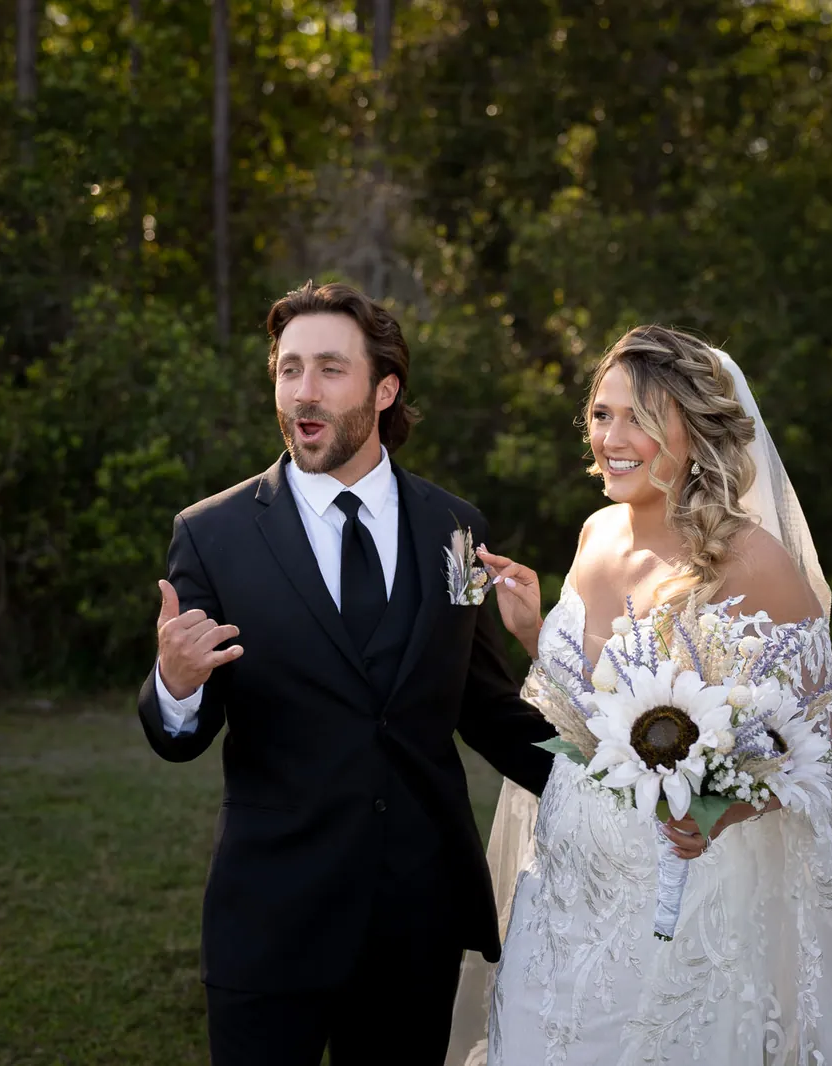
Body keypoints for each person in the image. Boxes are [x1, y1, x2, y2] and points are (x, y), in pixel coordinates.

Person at [136, 281, 556, 1066]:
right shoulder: (213, 534)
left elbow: (487, 709)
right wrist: (177, 684)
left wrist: (620, 782)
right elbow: (178, 736)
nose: (304, 390)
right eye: (289, 369)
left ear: (383, 389)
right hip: (271, 918)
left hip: (417, 920)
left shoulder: (456, 529)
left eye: (330, 369)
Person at [443, 325, 832, 1066]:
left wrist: (720, 813)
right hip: (560, 890)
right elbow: (589, 715)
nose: (612, 438)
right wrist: (536, 633)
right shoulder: (596, 534)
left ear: (695, 432)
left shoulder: (753, 562)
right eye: (602, 414)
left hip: (677, 903)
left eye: (639, 417)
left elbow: (810, 750)